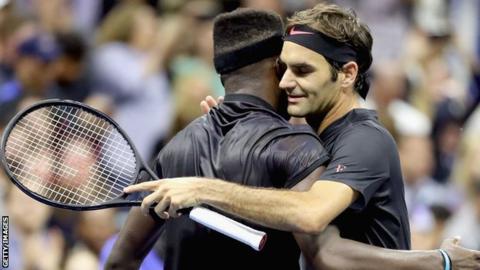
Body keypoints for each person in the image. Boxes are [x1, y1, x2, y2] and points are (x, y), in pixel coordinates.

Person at [121, 5, 480, 270]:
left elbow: (311, 220)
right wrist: (233, 127)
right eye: (284, 68)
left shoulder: (364, 140)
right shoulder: (305, 137)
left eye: (302, 70)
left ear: (347, 74)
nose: (284, 82)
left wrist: (440, 260)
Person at [107, 8, 330, 270]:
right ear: (277, 67)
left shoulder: (176, 146)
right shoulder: (297, 146)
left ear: (223, 74)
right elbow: (324, 257)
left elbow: (119, 262)